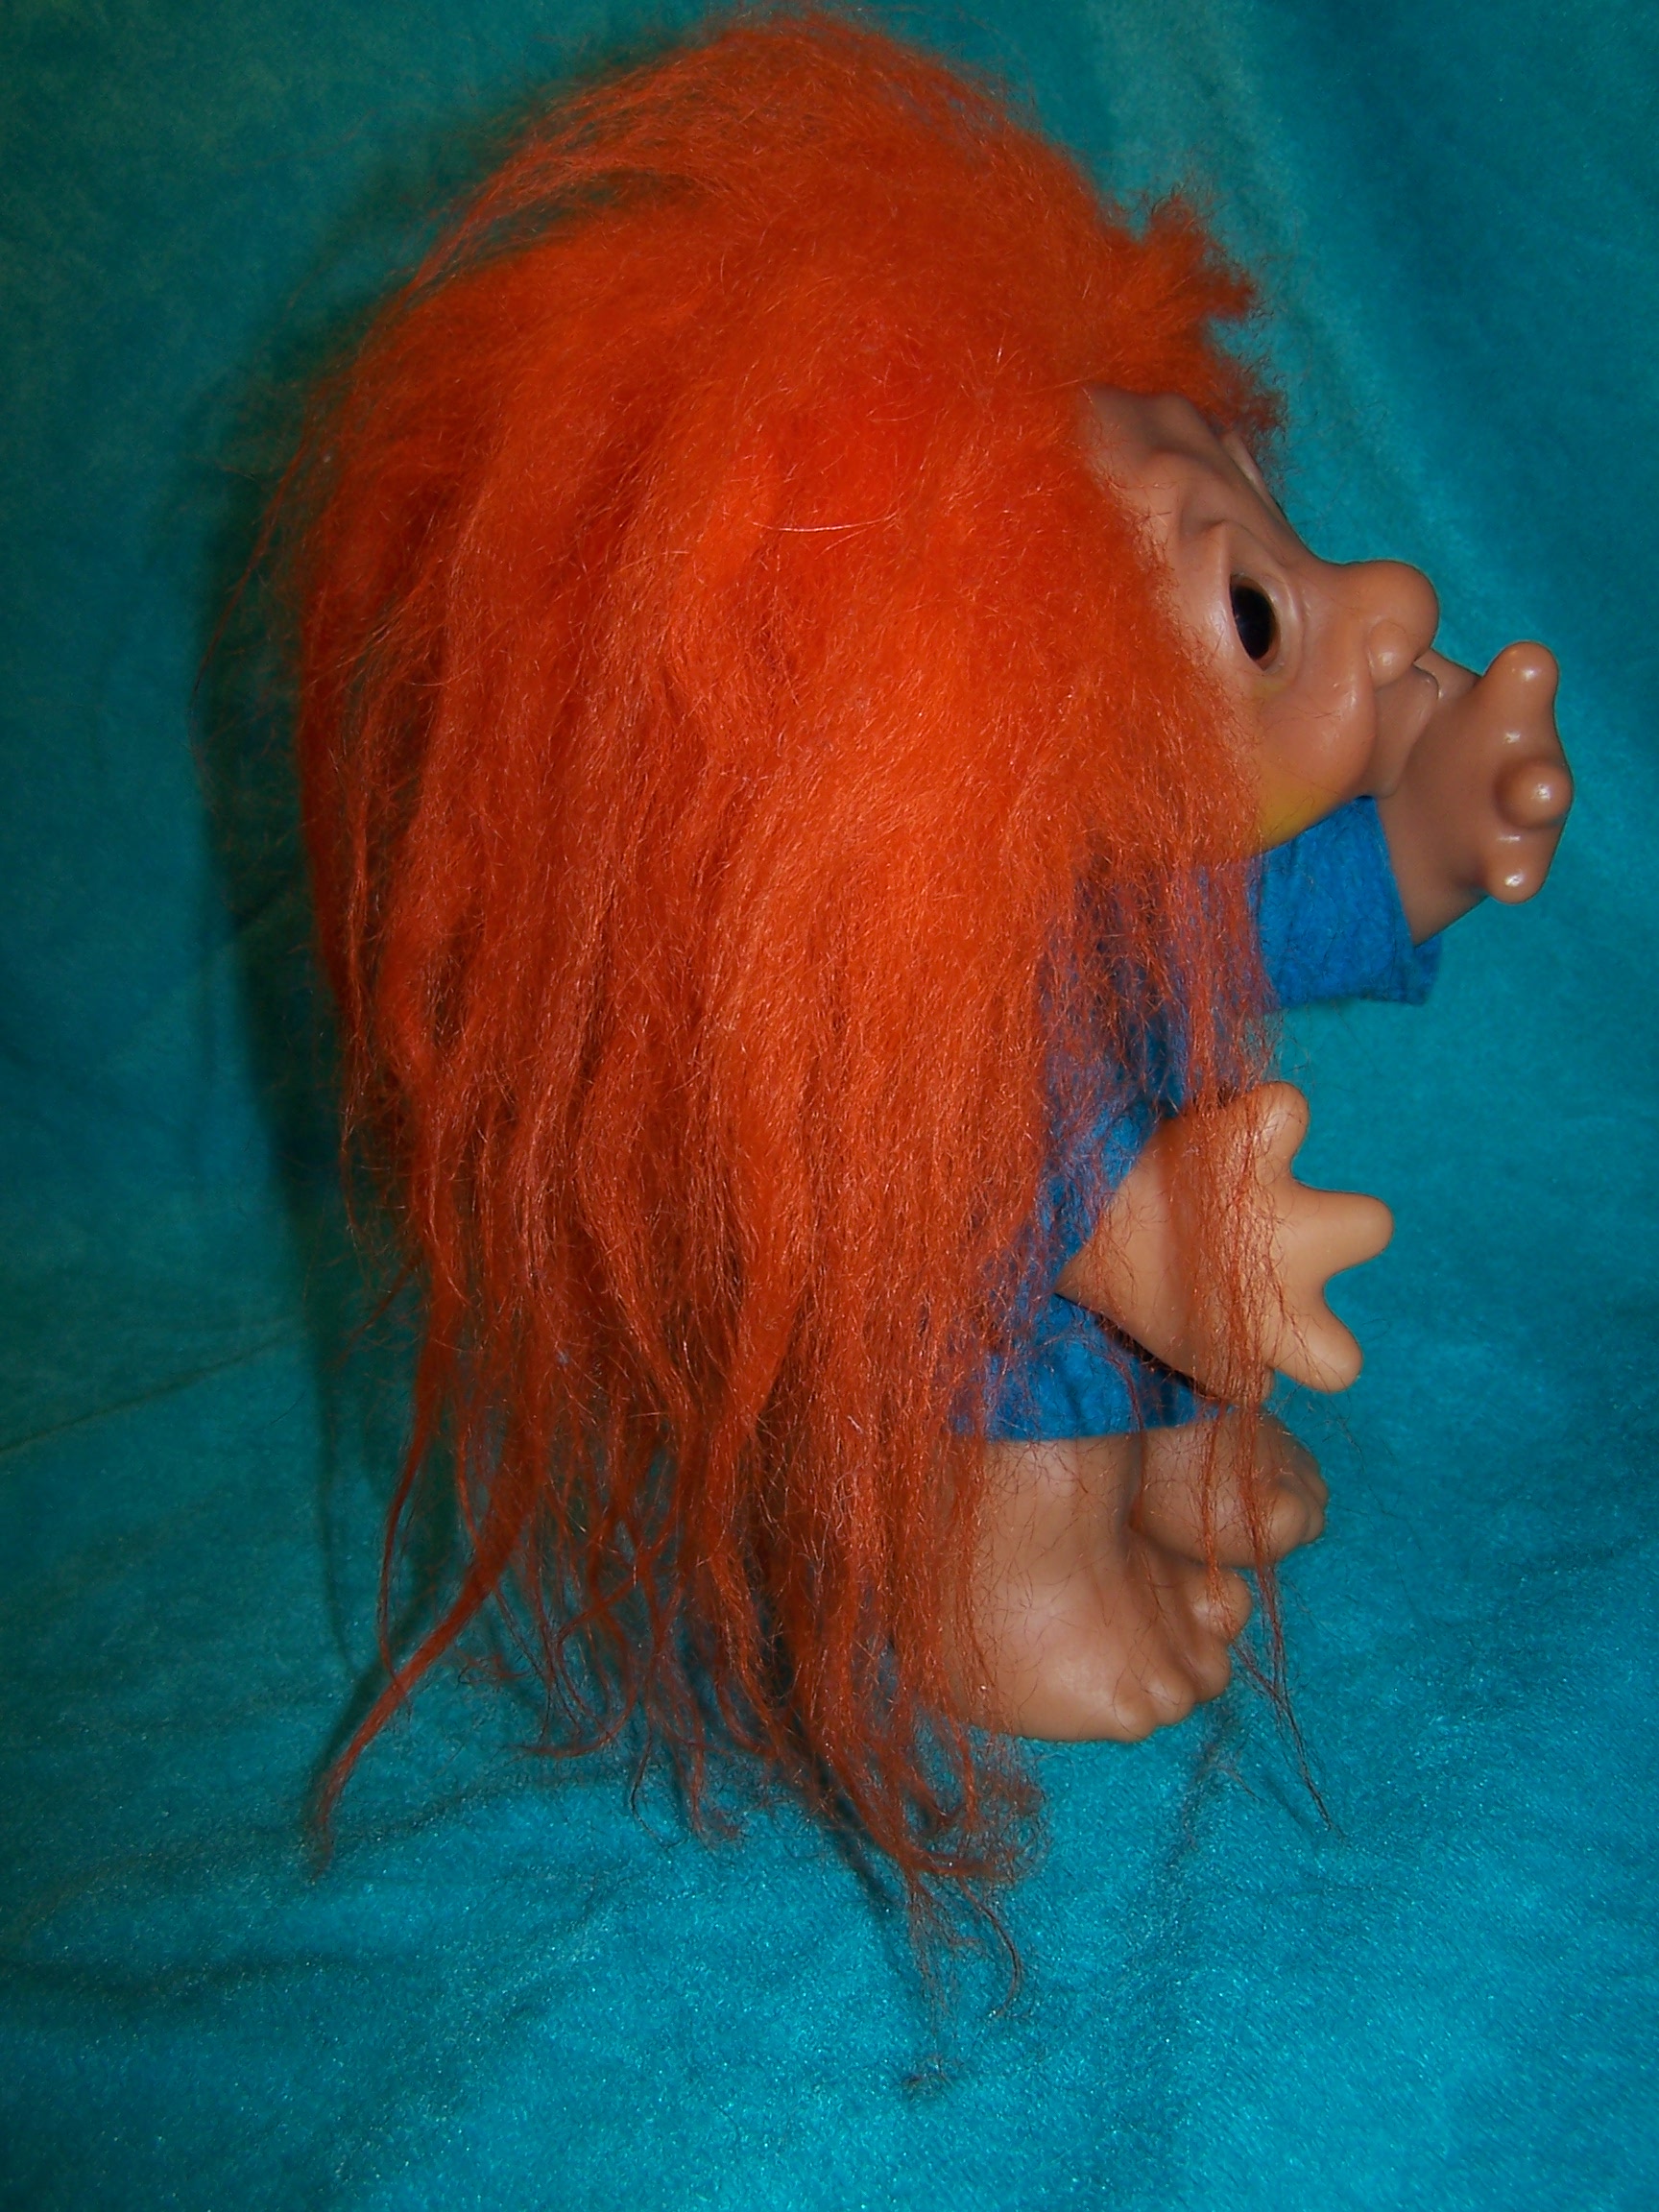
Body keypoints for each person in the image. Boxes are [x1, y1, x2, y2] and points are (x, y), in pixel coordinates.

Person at [289, 12, 1570, 1903]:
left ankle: (1177, 1460)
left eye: (1265, 536)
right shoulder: (920, 985)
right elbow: (986, 1170)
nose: (1387, 603)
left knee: (1174, 1364)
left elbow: (1278, 916)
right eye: (1251, 610)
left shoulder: (1127, 882)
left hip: (1172, 1268)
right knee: (1031, 1428)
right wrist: (1138, 1234)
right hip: (1001, 1341)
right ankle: (1008, 1603)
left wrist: (1429, 841)